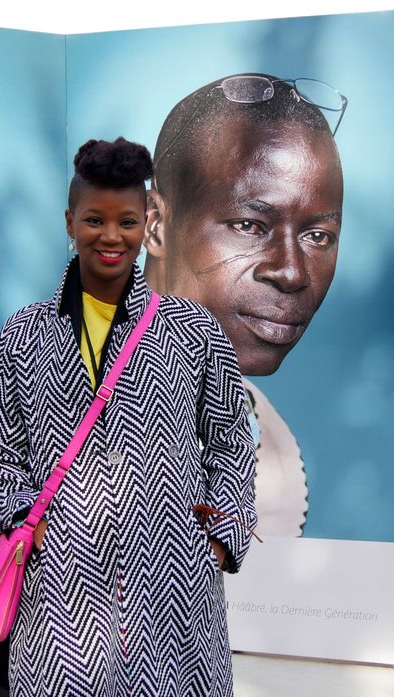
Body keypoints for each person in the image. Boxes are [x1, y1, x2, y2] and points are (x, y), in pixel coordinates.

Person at [0, 137, 256, 696]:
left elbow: (232, 440)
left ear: (147, 222)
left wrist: (219, 536)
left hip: (176, 602)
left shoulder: (191, 329)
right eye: (94, 219)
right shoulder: (25, 334)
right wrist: (30, 522)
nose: (111, 236)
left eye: (127, 221)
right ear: (70, 221)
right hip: (61, 600)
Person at [143, 74, 345, 536]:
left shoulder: (253, 418)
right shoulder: (72, 404)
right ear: (155, 226)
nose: (292, 272)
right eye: (250, 226)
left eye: (318, 236)